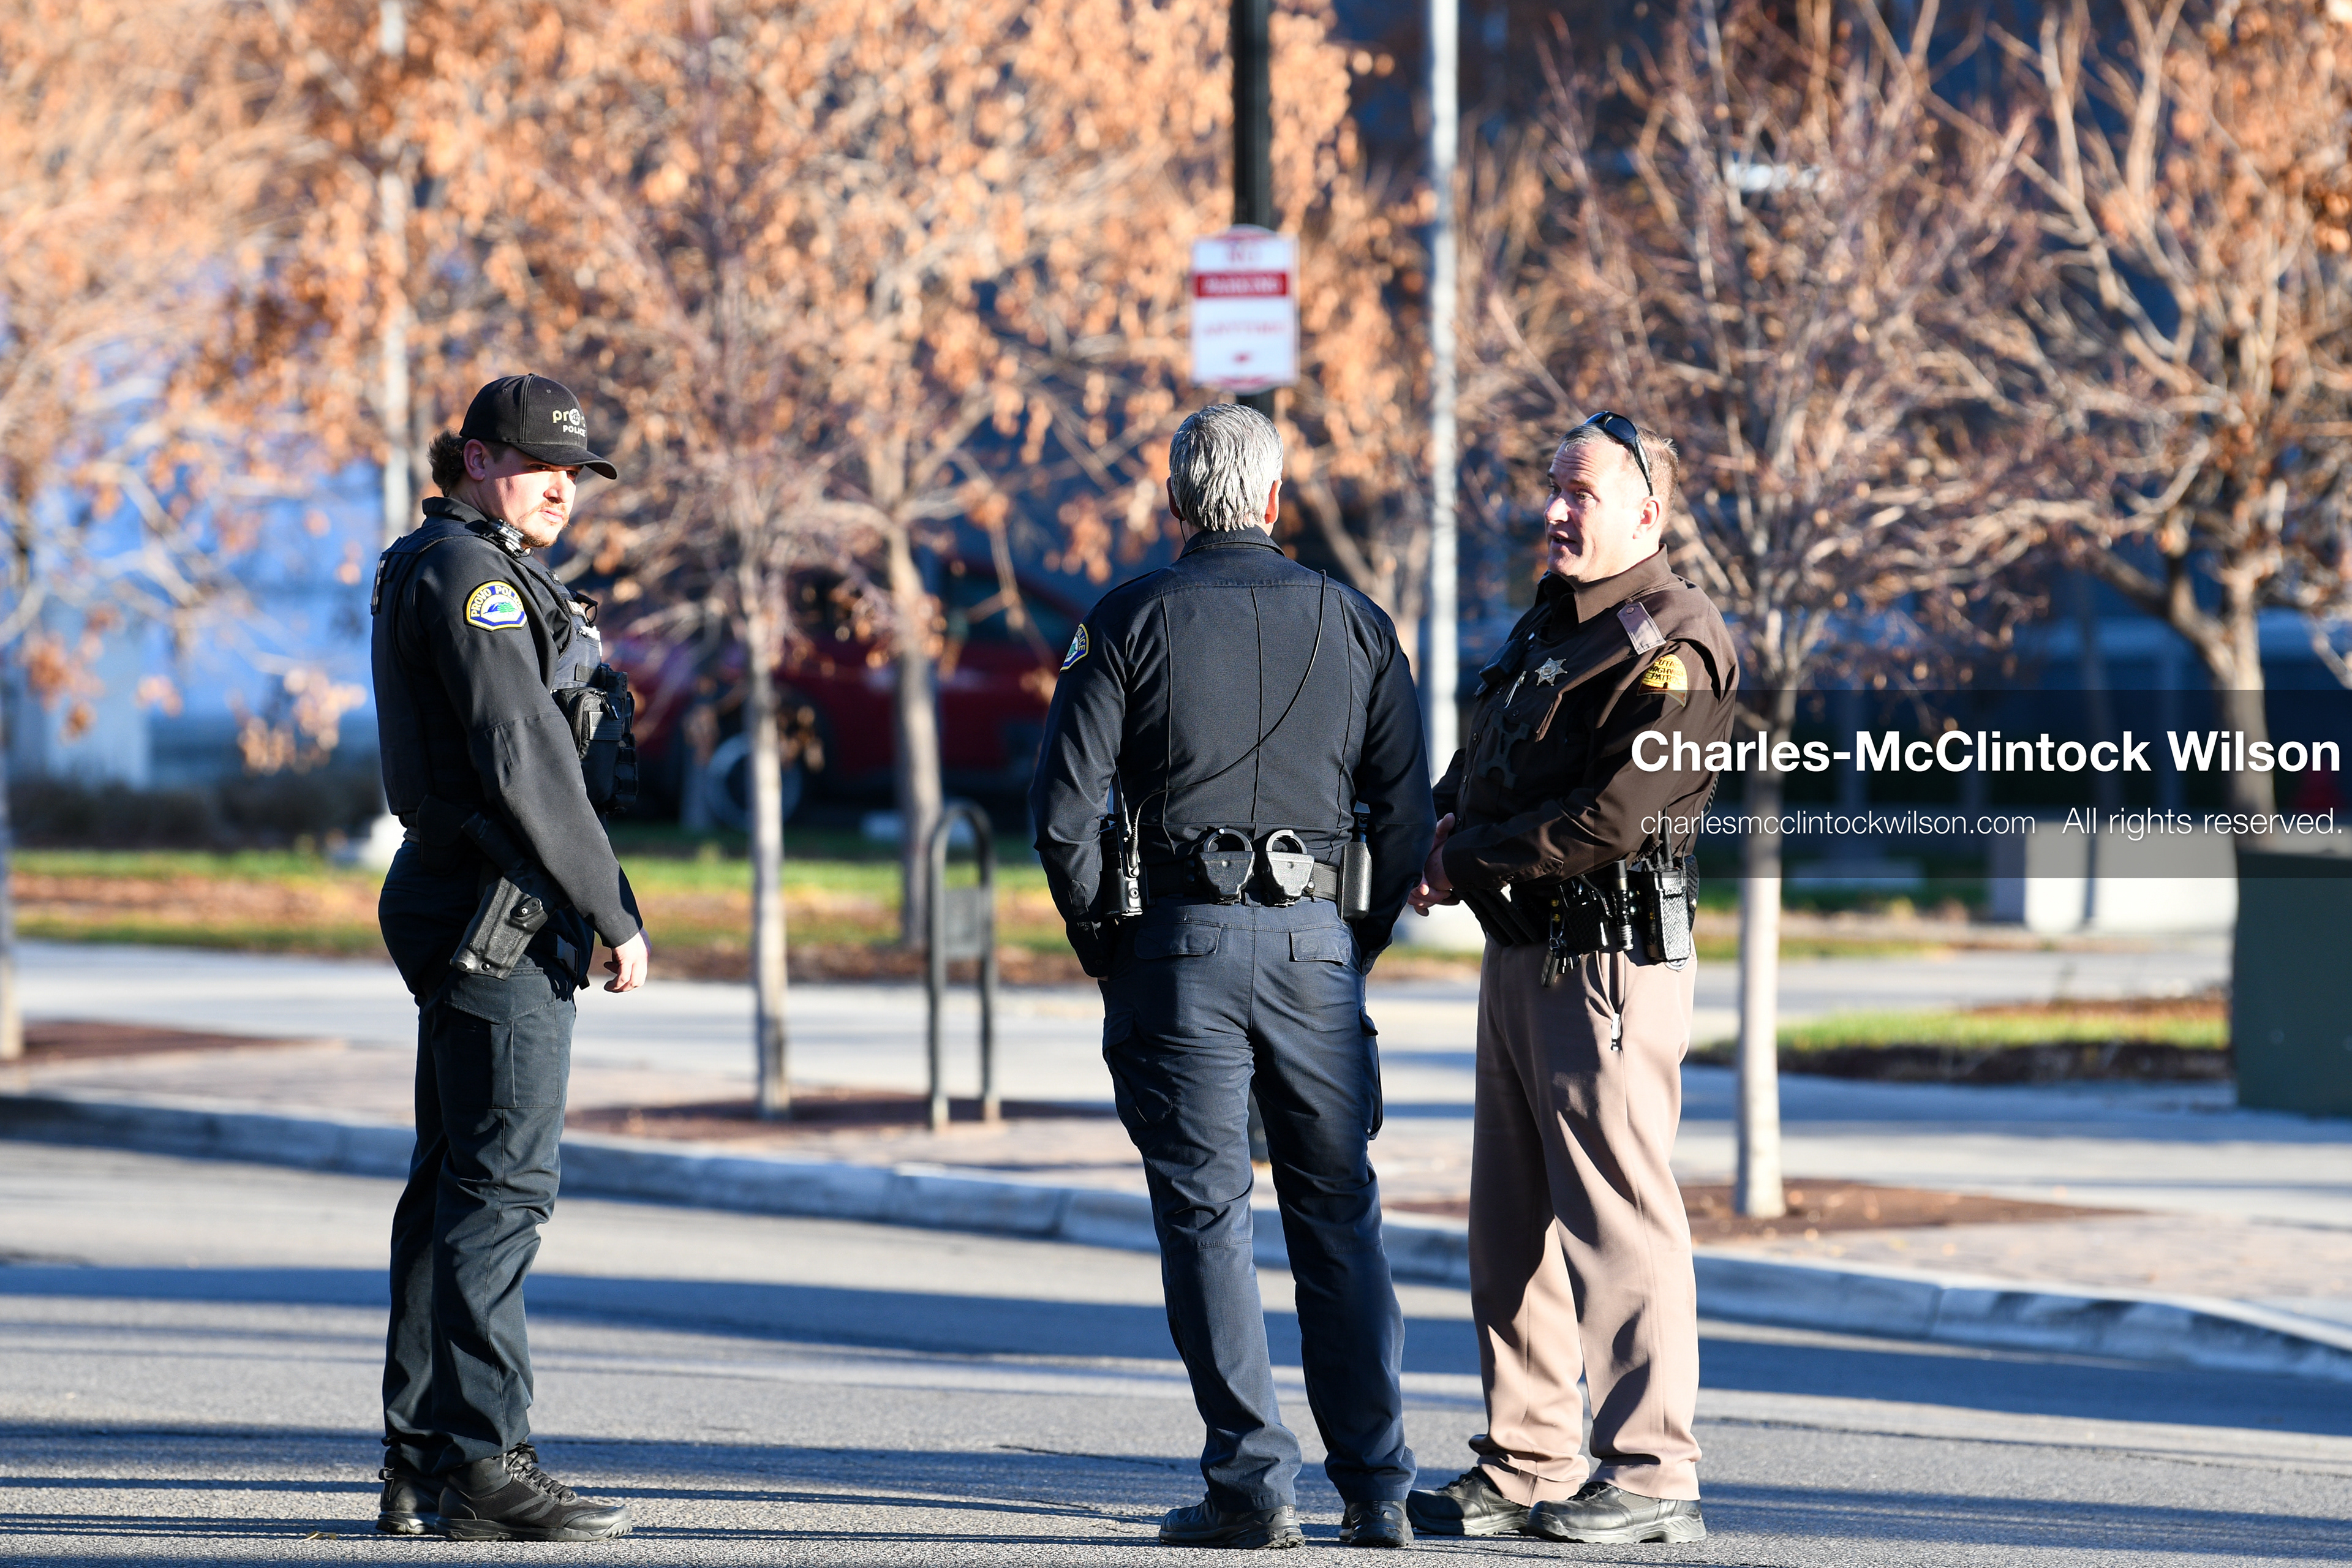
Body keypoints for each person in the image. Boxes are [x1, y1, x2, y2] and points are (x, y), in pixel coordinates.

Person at [1030, 403, 1436, 1550]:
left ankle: (1252, 1488)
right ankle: (1379, 1486)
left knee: (1210, 1218)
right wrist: (1350, 948)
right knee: (1338, 1212)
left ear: (1176, 501)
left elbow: (1064, 817)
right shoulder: (1358, 623)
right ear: (1271, 502)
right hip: (1316, 948)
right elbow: (1403, 821)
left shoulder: (1127, 619)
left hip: (1180, 948)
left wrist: (1112, 947)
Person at [1402, 413, 1736, 1547]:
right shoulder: (1553, 629)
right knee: (1511, 1227)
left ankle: (1652, 1473)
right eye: (1552, 486)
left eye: (1581, 491)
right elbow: (1488, 755)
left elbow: (1612, 817)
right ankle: (1527, 1461)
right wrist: (1440, 820)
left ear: (1648, 513)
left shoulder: (1675, 646)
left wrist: (1465, 857)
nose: (1555, 509)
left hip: (1608, 967)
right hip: (1521, 954)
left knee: (1619, 1218)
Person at [369, 374, 649, 1542]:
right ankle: (484, 1461)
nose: (564, 491)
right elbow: (523, 748)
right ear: (476, 459)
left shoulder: (459, 564)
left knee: (455, 1182)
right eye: (543, 466)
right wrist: (613, 909)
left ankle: (426, 1461)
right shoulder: (469, 577)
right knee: (500, 1188)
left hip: (477, 892)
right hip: (499, 902)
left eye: (577, 474)